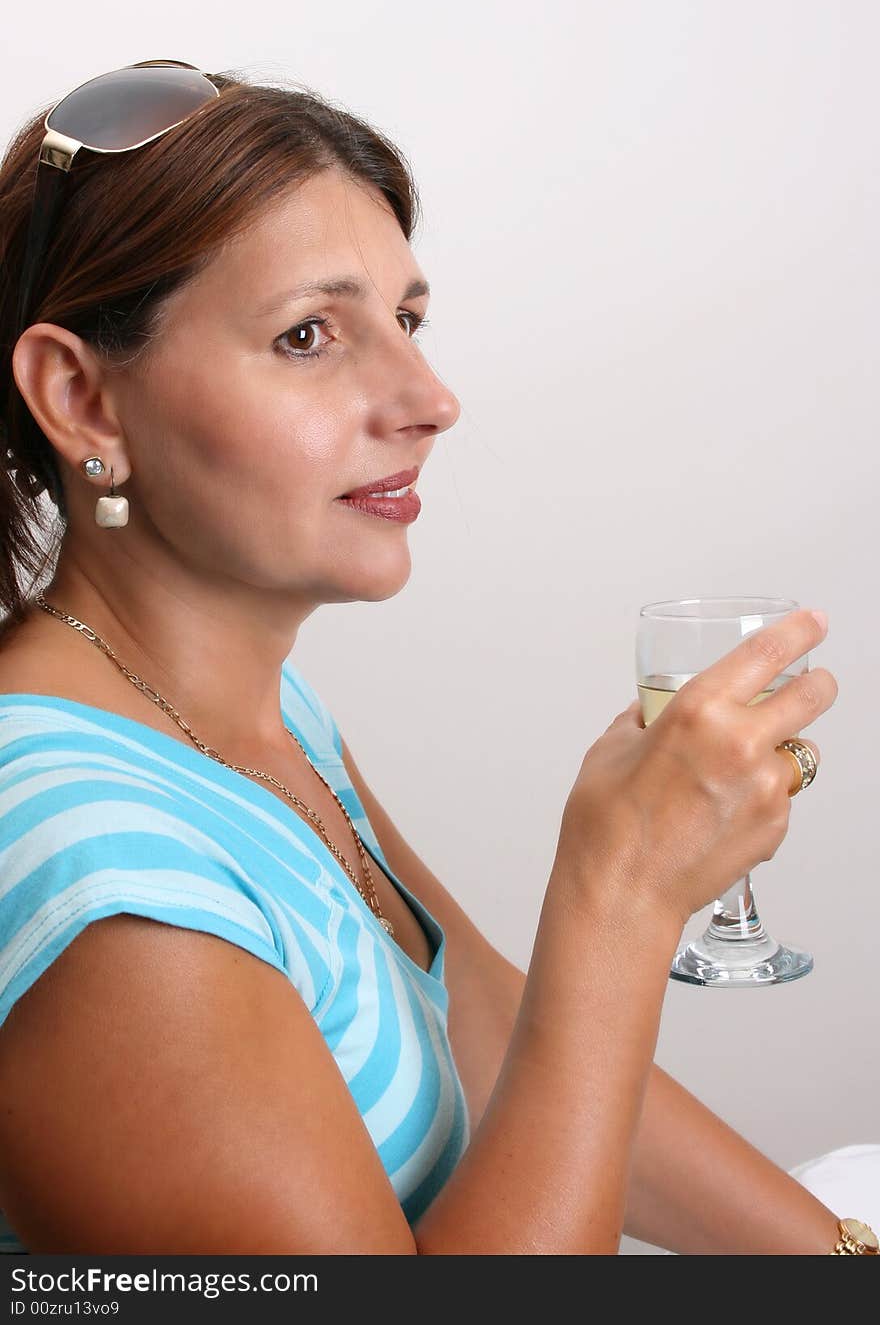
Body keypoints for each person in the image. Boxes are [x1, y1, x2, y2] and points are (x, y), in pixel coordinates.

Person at [0, 61, 873, 1257]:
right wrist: (617, 907)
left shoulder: (252, 715)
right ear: (82, 400)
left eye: (405, 321)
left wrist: (840, 1259)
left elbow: (481, 1019)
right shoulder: (91, 864)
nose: (428, 397)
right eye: (308, 335)